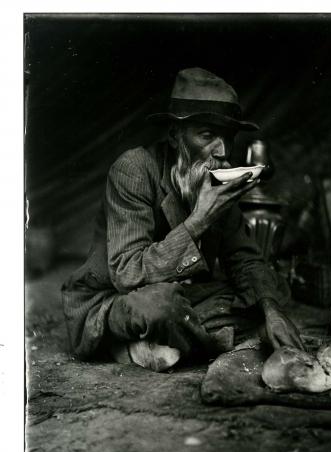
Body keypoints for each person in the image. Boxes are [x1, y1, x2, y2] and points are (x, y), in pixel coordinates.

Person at [62, 67, 304, 372]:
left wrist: (271, 311)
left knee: (266, 294)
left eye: (228, 137)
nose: (223, 151)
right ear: (176, 136)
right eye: (207, 135)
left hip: (183, 296)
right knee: (160, 307)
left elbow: (246, 259)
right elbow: (126, 272)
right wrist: (200, 220)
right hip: (116, 299)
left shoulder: (214, 178)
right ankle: (202, 341)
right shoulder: (133, 170)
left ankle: (162, 343)